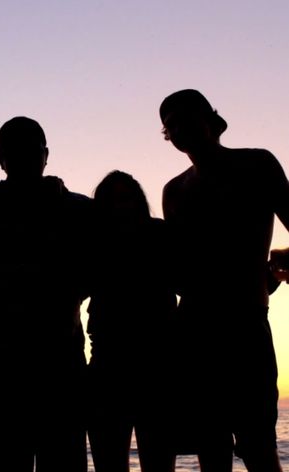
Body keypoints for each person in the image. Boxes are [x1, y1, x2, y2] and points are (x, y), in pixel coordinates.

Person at [160, 89, 289, 472]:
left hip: (247, 323)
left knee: (258, 443)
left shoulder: (257, 164)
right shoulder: (175, 190)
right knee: (210, 445)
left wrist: (275, 267)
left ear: (214, 123)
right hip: (194, 329)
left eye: (187, 118)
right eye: (171, 125)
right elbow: (180, 269)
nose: (180, 128)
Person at [0, 116, 91, 472]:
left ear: (45, 155)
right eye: (15, 154)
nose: (22, 160)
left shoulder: (77, 209)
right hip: (7, 364)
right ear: (1, 159)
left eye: (29, 152)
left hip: (56, 364)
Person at [86, 170, 176, 472]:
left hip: (158, 369)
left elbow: (189, 280)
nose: (120, 206)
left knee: (159, 461)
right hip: (107, 368)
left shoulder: (160, 235)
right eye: (113, 201)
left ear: (138, 202)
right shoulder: (95, 243)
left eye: (126, 199)